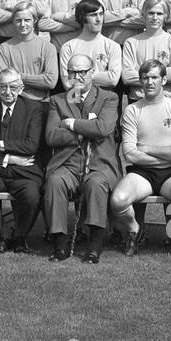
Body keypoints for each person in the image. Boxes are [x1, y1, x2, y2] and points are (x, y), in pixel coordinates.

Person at [108, 59, 171, 258]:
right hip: (142, 172)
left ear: (164, 80)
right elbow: (129, 153)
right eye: (145, 78)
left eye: (154, 77)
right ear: (140, 80)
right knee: (118, 200)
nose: (149, 82)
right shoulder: (132, 110)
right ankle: (134, 230)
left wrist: (147, 148)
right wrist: (166, 155)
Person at [43, 54, 121, 264]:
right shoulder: (58, 100)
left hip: (98, 162)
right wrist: (82, 132)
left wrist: (71, 124)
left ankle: (94, 247)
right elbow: (51, 136)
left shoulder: (108, 98)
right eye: (72, 72)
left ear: (92, 72)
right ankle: (60, 244)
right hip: (67, 163)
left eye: (82, 72)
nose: (77, 76)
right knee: (55, 182)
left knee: (96, 184)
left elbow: (103, 128)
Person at [0, 68, 46, 254]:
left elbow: (31, 146)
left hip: (24, 172)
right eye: (2, 86)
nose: (7, 91)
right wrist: (9, 158)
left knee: (31, 196)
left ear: (21, 88)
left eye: (13, 87)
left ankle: (19, 236)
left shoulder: (34, 109)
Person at [120, 0, 171, 102]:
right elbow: (127, 76)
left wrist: (141, 72)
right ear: (144, 15)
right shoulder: (131, 43)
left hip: (167, 101)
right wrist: (162, 74)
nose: (155, 17)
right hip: (138, 101)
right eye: (151, 13)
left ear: (166, 16)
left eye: (159, 13)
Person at [0, 1, 59, 101]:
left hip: (40, 103)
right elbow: (2, 81)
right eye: (18, 20)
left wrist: (18, 76)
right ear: (13, 21)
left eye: (27, 20)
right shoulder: (3, 48)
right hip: (14, 102)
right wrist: (37, 79)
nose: (22, 24)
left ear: (35, 20)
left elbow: (50, 82)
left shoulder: (48, 47)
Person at [57, 0, 123, 91]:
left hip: (103, 101)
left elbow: (113, 80)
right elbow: (68, 83)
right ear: (82, 17)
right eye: (93, 15)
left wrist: (79, 75)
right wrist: (100, 76)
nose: (99, 19)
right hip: (77, 100)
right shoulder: (68, 47)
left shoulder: (113, 46)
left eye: (101, 14)